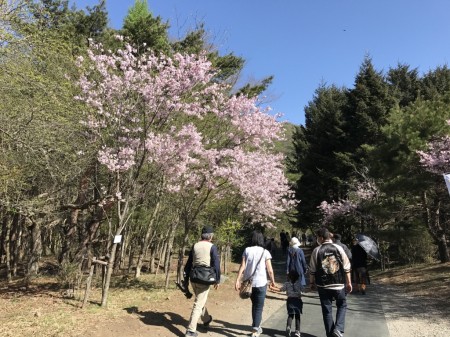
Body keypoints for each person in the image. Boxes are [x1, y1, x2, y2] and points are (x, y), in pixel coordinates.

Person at [309, 227, 352, 337]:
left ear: (322, 238)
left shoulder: (316, 250)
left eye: (318, 237)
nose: (317, 239)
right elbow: (347, 267)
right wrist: (349, 282)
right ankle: (338, 329)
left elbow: (312, 269)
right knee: (342, 304)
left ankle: (330, 334)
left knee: (327, 310)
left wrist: (311, 283)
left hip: (323, 285)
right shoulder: (338, 248)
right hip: (338, 284)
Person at [235, 230, 276, 337]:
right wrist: (272, 281)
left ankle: (256, 326)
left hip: (249, 284)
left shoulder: (247, 250)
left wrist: (237, 280)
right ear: (261, 239)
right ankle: (255, 330)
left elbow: (242, 266)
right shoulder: (265, 252)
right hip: (261, 283)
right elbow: (270, 270)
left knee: (255, 305)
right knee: (259, 307)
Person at [183, 226, 221, 337]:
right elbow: (216, 264)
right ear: (210, 236)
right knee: (198, 304)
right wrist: (217, 280)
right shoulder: (212, 247)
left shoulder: (195, 245)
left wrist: (185, 279)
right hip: (205, 278)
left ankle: (206, 319)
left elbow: (189, 263)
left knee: (200, 300)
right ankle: (190, 331)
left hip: (194, 277)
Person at [269, 270, 303, 337]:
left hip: (290, 300)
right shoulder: (299, 284)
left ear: (289, 277)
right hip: (298, 301)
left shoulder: (287, 284)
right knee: (297, 316)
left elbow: (280, 290)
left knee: (290, 315)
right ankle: (297, 331)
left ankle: (288, 327)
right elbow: (305, 290)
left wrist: (272, 288)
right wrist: (311, 288)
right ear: (297, 277)